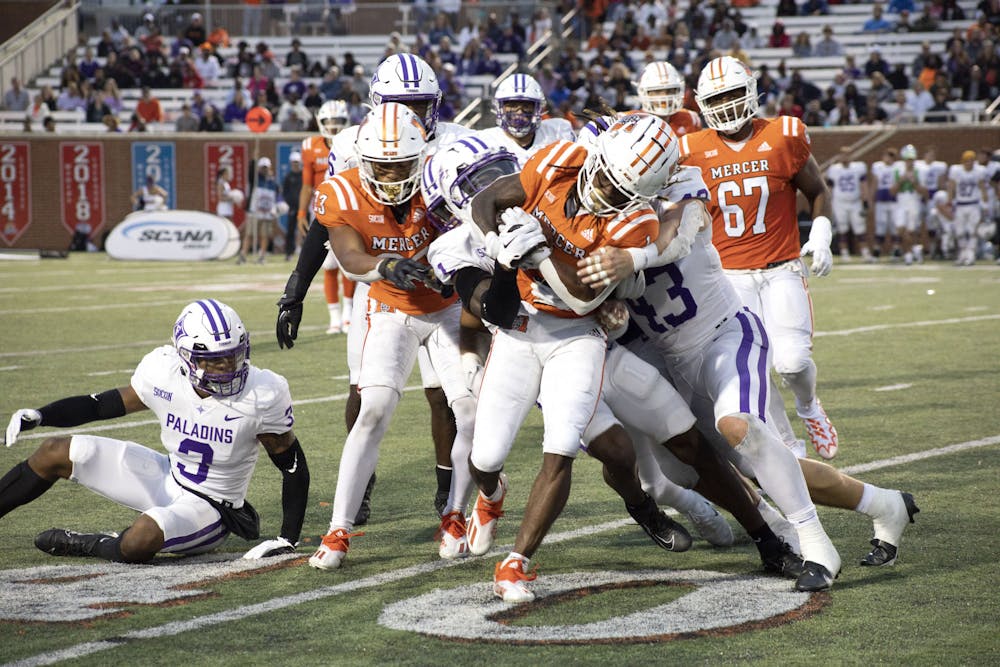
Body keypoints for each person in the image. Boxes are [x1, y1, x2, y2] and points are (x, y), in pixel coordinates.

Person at [575, 169, 919, 591]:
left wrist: (633, 259)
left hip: (726, 335)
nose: (607, 191)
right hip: (677, 361)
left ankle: (816, 547)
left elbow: (681, 231)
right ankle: (883, 503)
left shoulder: (679, 200)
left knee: (740, 426)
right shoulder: (593, 230)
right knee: (731, 466)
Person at [461, 115, 675, 603]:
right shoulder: (561, 160)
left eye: (622, 191)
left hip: (577, 334)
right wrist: (503, 242)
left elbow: (580, 298)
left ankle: (516, 564)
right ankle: (492, 497)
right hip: (520, 330)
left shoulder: (635, 221)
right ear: (596, 157)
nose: (605, 192)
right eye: (604, 177)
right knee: (485, 457)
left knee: (561, 447)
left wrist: (535, 254)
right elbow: (486, 200)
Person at [276, 54, 474, 523]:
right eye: (401, 104)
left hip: (441, 282)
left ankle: (448, 488)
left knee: (443, 394)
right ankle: (359, 487)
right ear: (376, 105)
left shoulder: (455, 143)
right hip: (379, 279)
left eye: (419, 104)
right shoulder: (352, 144)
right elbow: (329, 220)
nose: (411, 115)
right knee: (363, 391)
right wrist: (295, 290)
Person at [1, 300, 309, 563]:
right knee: (55, 451)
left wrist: (287, 538)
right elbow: (100, 406)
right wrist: (43, 415)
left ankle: (91, 543)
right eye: (214, 361)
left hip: (211, 507)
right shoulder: (164, 373)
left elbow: (292, 465)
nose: (227, 368)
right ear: (186, 357)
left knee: (141, 538)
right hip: (167, 476)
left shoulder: (261, 394)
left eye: (233, 355)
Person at [306, 103, 477, 570]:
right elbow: (347, 254)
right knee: (373, 407)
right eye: (381, 164)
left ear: (421, 156)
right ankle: (339, 528)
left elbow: (481, 236)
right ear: (363, 161)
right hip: (389, 308)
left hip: (449, 310)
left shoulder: (443, 185)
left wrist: (459, 267)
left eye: (401, 162)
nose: (392, 172)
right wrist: (385, 266)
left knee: (469, 410)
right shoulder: (340, 191)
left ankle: (456, 515)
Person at [679, 56, 839, 461]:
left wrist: (820, 234)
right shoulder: (689, 150)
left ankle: (809, 406)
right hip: (728, 279)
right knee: (754, 371)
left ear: (750, 91)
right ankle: (788, 448)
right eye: (718, 98)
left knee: (792, 362)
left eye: (734, 93)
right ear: (701, 103)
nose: (728, 104)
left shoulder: (783, 134)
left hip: (781, 267)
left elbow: (817, 189)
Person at [297, 100, 355, 334]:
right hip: (323, 210)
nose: (333, 126)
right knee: (328, 264)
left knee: (349, 262)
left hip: (349, 208)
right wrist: (301, 212)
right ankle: (334, 317)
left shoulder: (354, 142)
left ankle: (349, 314)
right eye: (329, 122)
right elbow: (307, 184)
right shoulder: (311, 146)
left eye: (338, 121)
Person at [476, 73, 576, 164]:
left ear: (538, 109)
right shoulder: (485, 141)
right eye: (513, 105)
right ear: (500, 108)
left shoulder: (558, 132)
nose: (519, 112)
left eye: (526, 106)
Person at [825, 147, 872, 261]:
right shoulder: (834, 169)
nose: (845, 157)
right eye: (843, 155)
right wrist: (828, 203)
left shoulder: (858, 167)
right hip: (839, 202)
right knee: (842, 228)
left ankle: (865, 252)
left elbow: (863, 184)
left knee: (860, 227)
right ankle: (844, 253)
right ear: (839, 156)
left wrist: (866, 200)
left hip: (855, 202)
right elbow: (829, 187)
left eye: (848, 154)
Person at [634, 61, 703, 137]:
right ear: (643, 92)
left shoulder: (691, 118)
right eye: (657, 91)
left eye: (670, 90)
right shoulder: (628, 121)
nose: (664, 96)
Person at [948, 149, 990, 265]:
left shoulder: (978, 171)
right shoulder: (956, 171)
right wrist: (949, 201)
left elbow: (982, 188)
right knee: (959, 231)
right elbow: (951, 187)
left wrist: (985, 204)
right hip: (960, 204)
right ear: (963, 161)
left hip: (974, 204)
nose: (969, 163)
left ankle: (970, 255)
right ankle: (962, 254)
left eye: (971, 160)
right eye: (967, 161)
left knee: (972, 231)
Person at [239, 157, 282, 265]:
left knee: (265, 235)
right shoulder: (256, 180)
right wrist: (253, 160)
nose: (264, 170)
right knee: (249, 234)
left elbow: (278, 196)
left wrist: (277, 207)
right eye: (262, 168)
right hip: (255, 212)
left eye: (266, 168)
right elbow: (251, 172)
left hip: (267, 214)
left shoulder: (273, 183)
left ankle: (262, 256)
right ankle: (243, 255)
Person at [891, 144, 928, 265]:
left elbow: (924, 192)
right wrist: (900, 180)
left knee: (911, 230)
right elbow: (892, 191)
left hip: (914, 201)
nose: (909, 162)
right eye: (907, 159)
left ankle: (909, 254)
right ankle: (914, 249)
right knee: (900, 228)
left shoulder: (920, 170)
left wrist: (914, 182)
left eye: (911, 159)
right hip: (901, 201)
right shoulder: (897, 169)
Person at [868, 146, 899, 260]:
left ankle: (896, 250)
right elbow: (874, 183)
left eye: (891, 156)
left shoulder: (897, 167)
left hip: (894, 200)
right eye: (887, 156)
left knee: (894, 225)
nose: (888, 159)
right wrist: (871, 199)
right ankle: (877, 250)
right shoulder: (878, 167)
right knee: (881, 224)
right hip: (881, 199)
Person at [282, 151, 303, 261]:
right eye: (294, 162)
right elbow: (284, 192)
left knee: (304, 230)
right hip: (292, 208)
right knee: (290, 230)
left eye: (297, 162)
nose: (295, 164)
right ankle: (289, 252)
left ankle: (303, 252)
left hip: (303, 208)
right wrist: (288, 203)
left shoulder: (303, 175)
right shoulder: (288, 177)